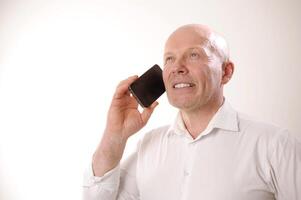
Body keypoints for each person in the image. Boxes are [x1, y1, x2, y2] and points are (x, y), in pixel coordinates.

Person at [82, 24, 301, 200]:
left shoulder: (275, 145)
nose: (177, 67)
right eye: (169, 59)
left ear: (226, 72)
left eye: (194, 55)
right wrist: (115, 135)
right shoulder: (148, 146)